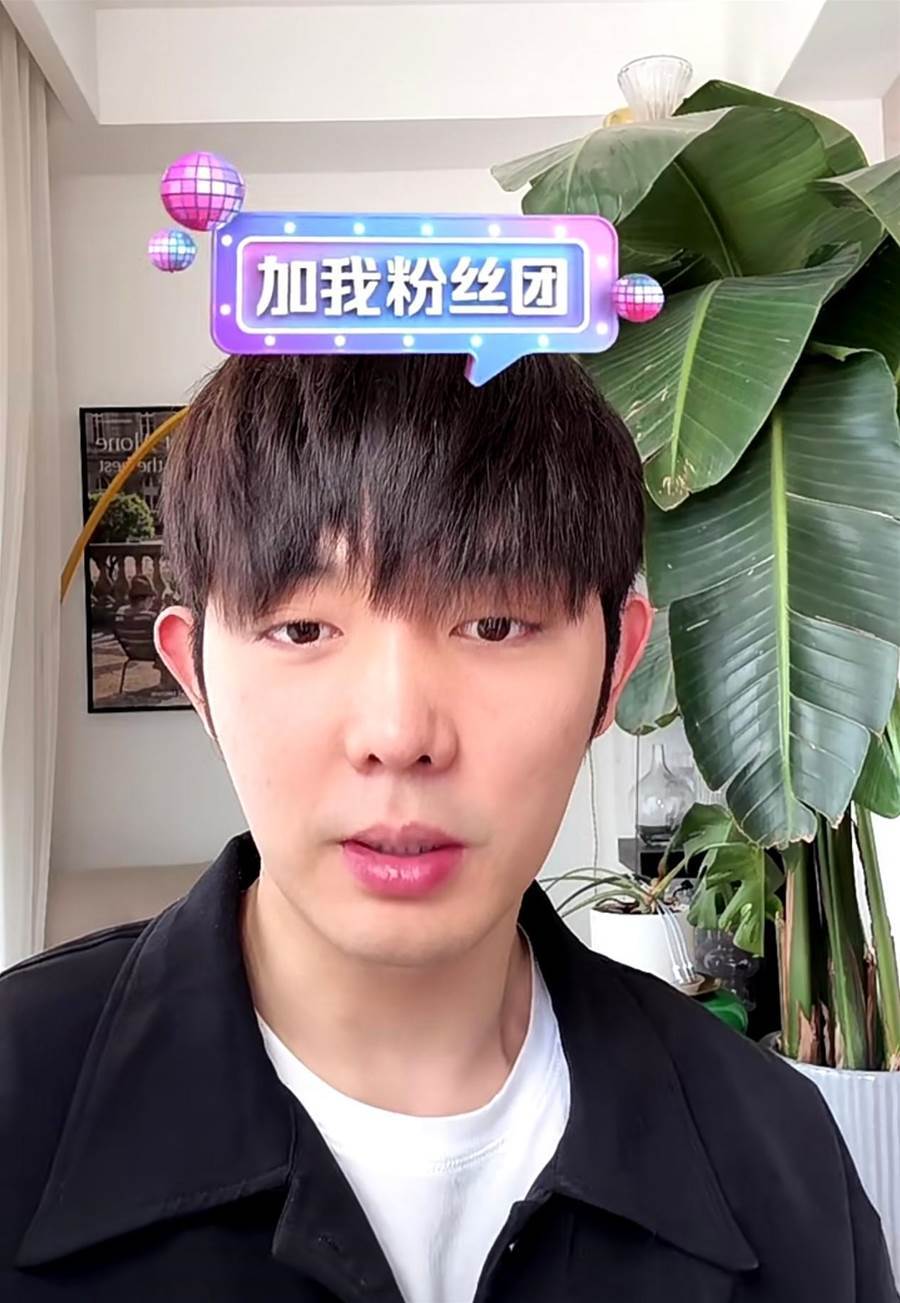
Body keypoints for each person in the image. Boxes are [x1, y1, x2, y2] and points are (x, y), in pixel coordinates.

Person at [1, 354, 896, 1302]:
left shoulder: (778, 1163)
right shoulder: (19, 1104)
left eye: (495, 625)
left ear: (615, 666)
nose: (399, 735)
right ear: (196, 676)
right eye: (303, 630)